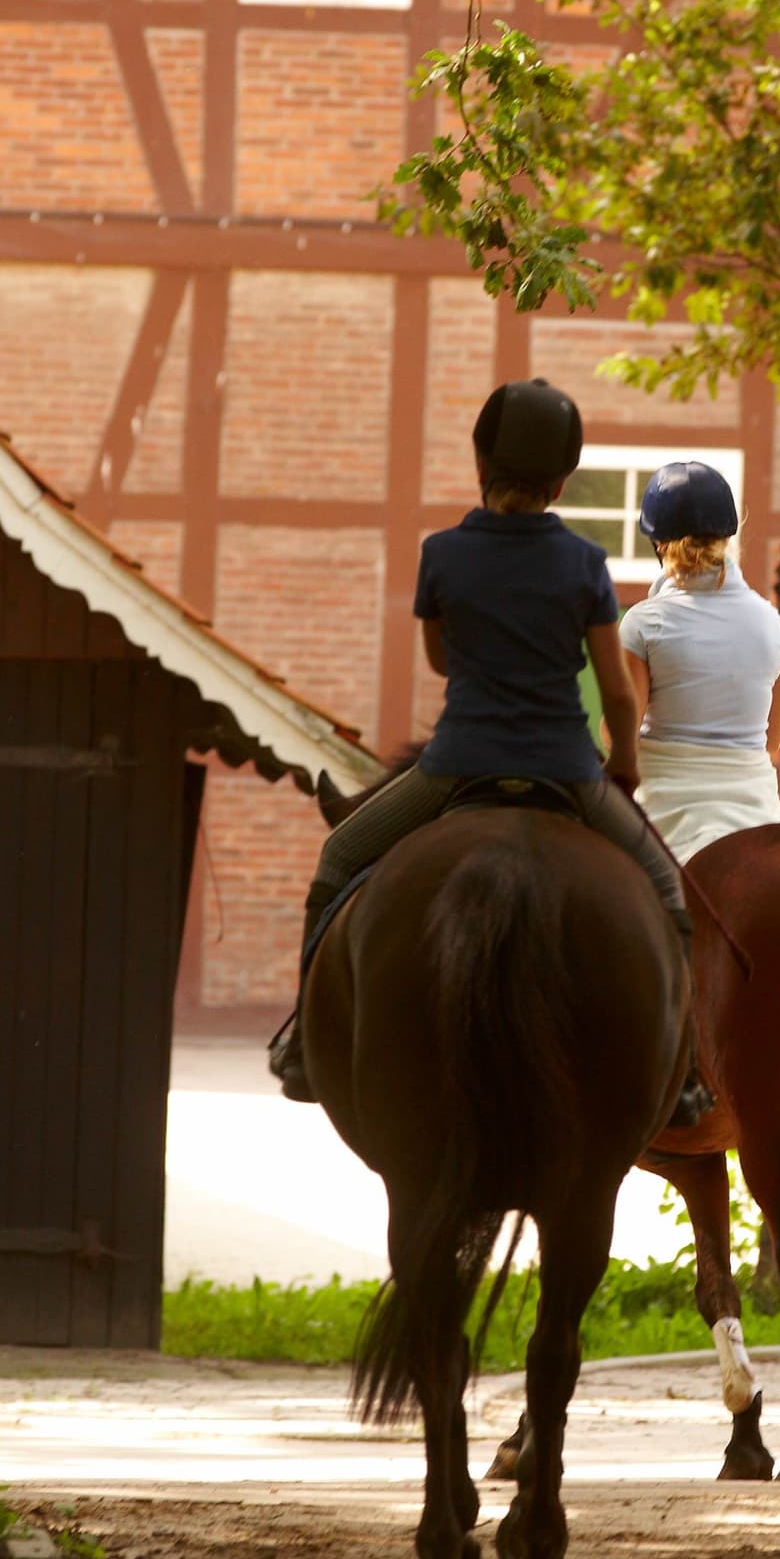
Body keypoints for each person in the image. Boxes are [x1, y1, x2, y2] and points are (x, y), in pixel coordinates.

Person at [267, 378, 694, 1105]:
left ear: (479, 465)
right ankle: (684, 1078)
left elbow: (440, 659)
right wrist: (621, 762)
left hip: (455, 766)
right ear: (561, 482)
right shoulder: (585, 565)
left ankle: (306, 1040)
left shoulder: (442, 554)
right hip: (567, 770)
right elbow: (618, 693)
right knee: (670, 894)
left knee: (339, 857)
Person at [615, 460, 780, 861]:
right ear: (726, 539)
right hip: (758, 813)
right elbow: (770, 745)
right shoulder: (771, 623)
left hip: (665, 811)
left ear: (659, 544)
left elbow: (621, 741)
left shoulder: (643, 623)